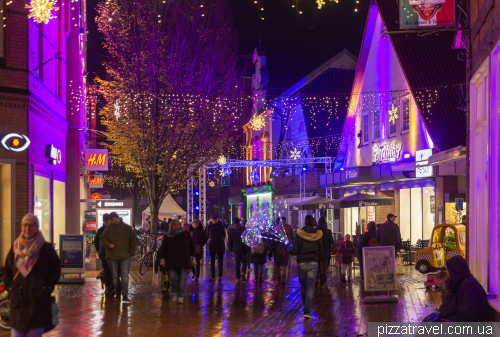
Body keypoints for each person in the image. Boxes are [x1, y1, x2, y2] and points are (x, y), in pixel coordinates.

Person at [4, 213, 61, 337]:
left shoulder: (45, 248)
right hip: (18, 302)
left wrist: (46, 287)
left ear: (37, 226)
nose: (27, 228)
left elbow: (55, 270)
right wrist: (10, 287)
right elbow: (7, 269)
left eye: (31, 225)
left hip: (38, 302)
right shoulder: (15, 248)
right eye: (25, 225)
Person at [422, 255, 490, 322]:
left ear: (454, 271)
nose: (446, 272)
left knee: (431, 324)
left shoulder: (468, 288)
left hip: (468, 330)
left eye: (448, 270)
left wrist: (442, 321)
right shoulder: (460, 284)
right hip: (456, 325)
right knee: (429, 319)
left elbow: (465, 318)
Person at [291, 215, 323, 320]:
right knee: (310, 286)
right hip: (313, 262)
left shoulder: (299, 234)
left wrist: (289, 248)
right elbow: (321, 251)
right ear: (314, 223)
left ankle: (306, 308)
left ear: (304, 223)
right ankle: (307, 310)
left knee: (303, 285)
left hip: (301, 263)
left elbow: (294, 251)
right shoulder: (318, 235)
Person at [100, 212, 136, 303]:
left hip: (125, 256)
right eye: (112, 219)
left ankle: (124, 295)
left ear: (118, 218)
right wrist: (108, 245)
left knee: (124, 276)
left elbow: (133, 240)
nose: (114, 221)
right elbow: (103, 238)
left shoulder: (127, 228)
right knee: (115, 277)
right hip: (113, 256)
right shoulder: (108, 229)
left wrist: (131, 252)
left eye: (115, 218)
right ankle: (117, 294)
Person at [159, 219, 195, 304]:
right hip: (172, 260)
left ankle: (181, 296)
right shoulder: (167, 236)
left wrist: (191, 255)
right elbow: (163, 248)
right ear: (171, 226)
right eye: (174, 225)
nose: (176, 226)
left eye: (177, 224)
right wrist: (162, 259)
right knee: (173, 278)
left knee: (182, 280)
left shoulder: (185, 234)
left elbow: (192, 244)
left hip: (184, 260)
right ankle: (174, 292)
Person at [94, 213, 113, 297]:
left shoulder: (113, 228)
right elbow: (96, 241)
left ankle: (112, 287)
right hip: (104, 254)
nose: (107, 222)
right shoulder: (100, 230)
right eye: (105, 220)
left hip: (113, 255)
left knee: (112, 271)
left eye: (108, 220)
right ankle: (108, 286)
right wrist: (99, 251)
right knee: (106, 271)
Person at [269, 221, 291, 286]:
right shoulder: (285, 234)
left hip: (276, 252)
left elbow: (272, 245)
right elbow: (288, 244)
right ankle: (283, 279)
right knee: (284, 266)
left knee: (277, 266)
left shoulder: (274, 236)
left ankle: (278, 280)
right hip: (284, 252)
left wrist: (270, 253)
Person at [206, 214, 226, 282]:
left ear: (218, 219)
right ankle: (213, 276)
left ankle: (220, 275)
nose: (214, 221)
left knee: (220, 261)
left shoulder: (221, 226)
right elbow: (207, 234)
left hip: (220, 245)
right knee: (212, 261)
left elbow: (224, 234)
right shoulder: (209, 226)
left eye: (215, 219)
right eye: (213, 219)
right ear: (211, 220)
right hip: (212, 245)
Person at [317, 217, 334, 288]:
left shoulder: (315, 231)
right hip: (325, 252)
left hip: (316, 252)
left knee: (317, 267)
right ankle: (322, 283)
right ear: (325, 223)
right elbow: (331, 242)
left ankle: (316, 280)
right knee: (324, 267)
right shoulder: (328, 231)